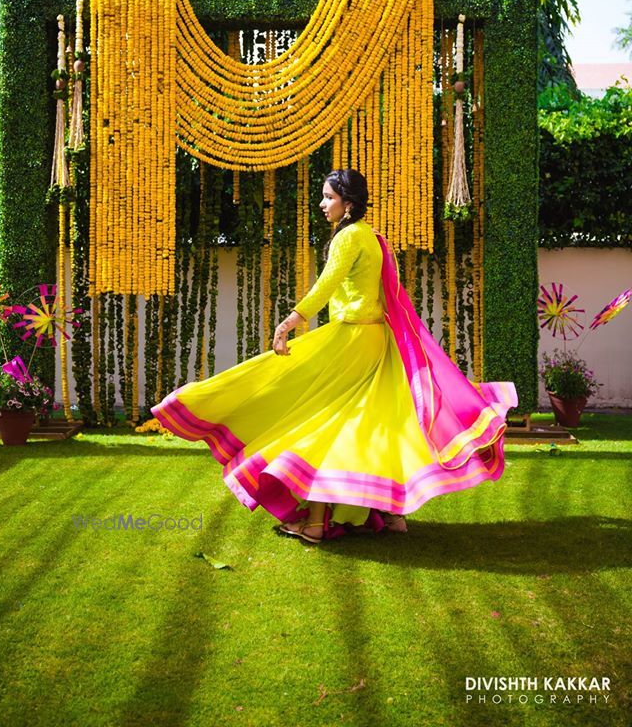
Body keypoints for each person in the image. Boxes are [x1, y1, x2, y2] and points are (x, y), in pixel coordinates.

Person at [152, 168, 517, 544]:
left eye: (329, 198)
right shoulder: (375, 238)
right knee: (373, 422)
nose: (323, 205)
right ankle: (390, 514)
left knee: (322, 421)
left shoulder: (347, 239)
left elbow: (325, 285)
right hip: (377, 338)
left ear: (349, 204)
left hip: (352, 339)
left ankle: (314, 522)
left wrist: (289, 323)